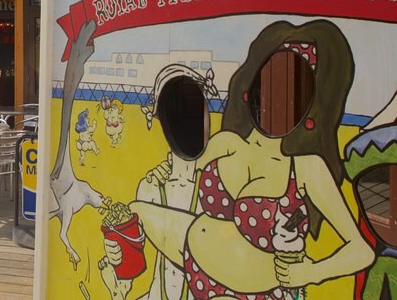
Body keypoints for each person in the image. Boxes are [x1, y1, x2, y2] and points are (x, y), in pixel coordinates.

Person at [102, 20, 374, 300]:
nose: (276, 103)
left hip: (258, 293)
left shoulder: (306, 168)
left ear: (307, 107)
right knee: (133, 210)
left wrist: (311, 273)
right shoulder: (227, 143)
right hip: (196, 269)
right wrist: (161, 173)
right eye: (269, 86)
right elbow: (181, 171)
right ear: (252, 88)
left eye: (293, 95)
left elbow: (361, 251)